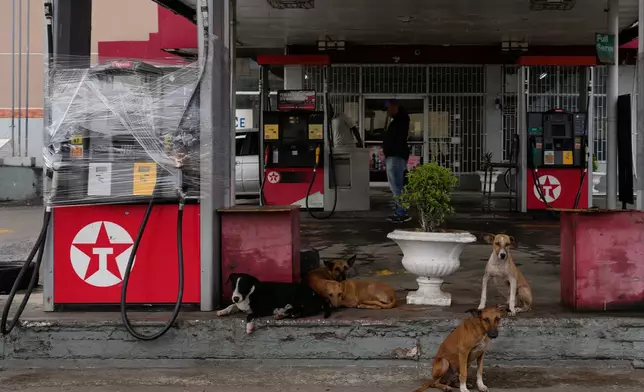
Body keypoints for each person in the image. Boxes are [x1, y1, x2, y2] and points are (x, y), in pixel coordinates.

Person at [382, 99, 411, 223]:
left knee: (396, 186)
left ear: (395, 107)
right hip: (394, 156)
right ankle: (400, 211)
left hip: (395, 157)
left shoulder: (402, 119)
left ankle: (401, 212)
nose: (387, 112)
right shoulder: (397, 121)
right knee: (397, 186)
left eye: (389, 109)